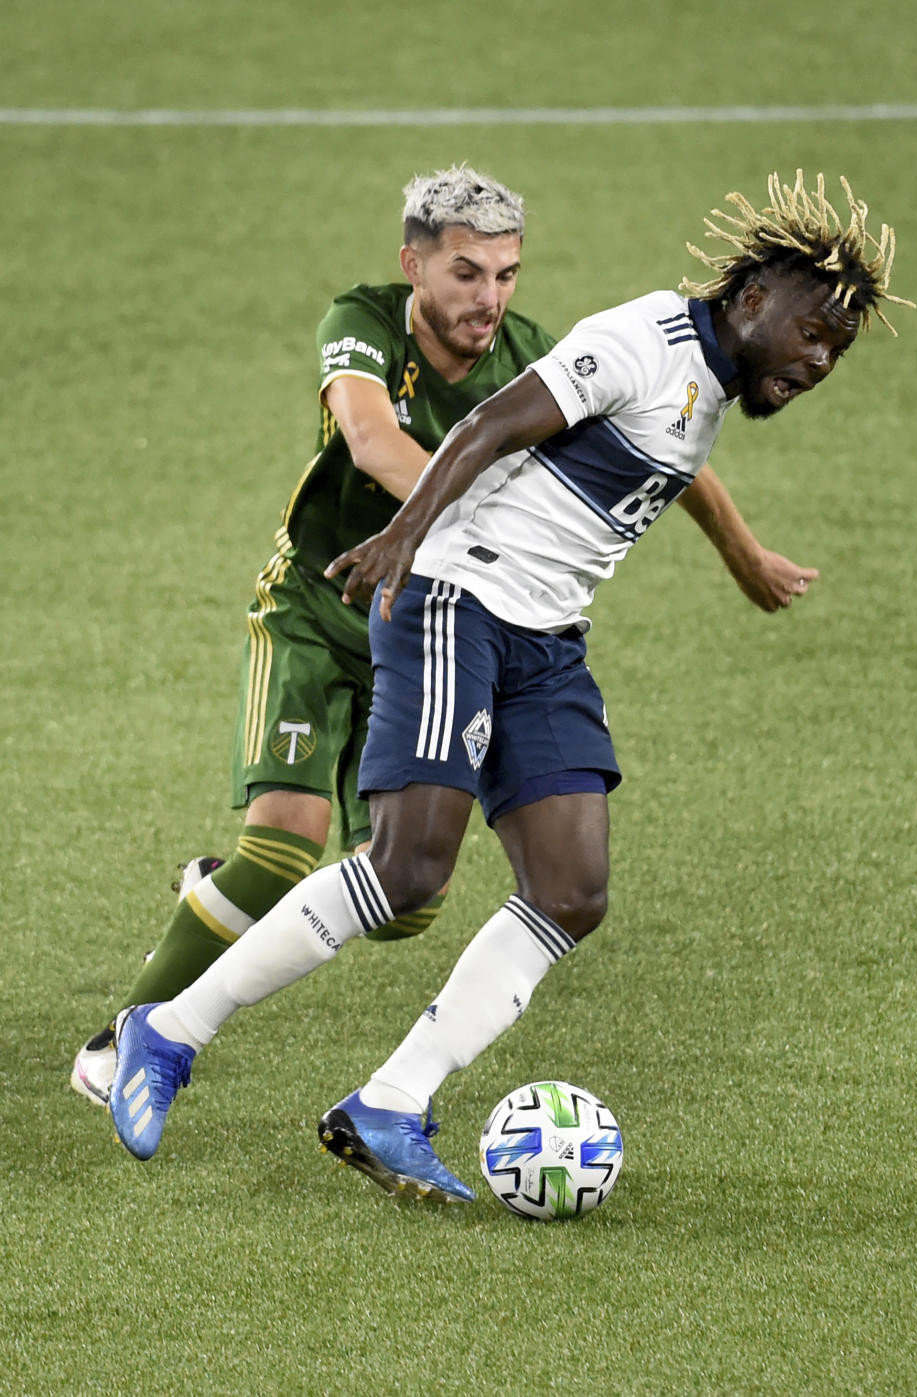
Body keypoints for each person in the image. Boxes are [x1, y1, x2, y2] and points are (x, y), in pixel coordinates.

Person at [108, 169, 905, 1200]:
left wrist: (743, 553)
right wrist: (403, 534)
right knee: (408, 867)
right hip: (457, 599)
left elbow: (678, 471)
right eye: (812, 333)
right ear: (752, 299)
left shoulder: (708, 378)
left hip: (547, 639)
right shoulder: (642, 339)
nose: (817, 361)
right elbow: (486, 429)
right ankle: (167, 1031)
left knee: (572, 892)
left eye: (835, 351)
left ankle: (391, 1099)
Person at [70, 163, 555, 1106]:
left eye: (505, 274)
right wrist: (479, 522)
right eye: (466, 273)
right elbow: (372, 441)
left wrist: (740, 547)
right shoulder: (363, 321)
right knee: (285, 848)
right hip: (312, 609)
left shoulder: (530, 358)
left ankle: (218, 901)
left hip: (415, 635)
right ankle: (123, 1037)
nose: (488, 297)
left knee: (407, 897)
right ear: (413, 264)